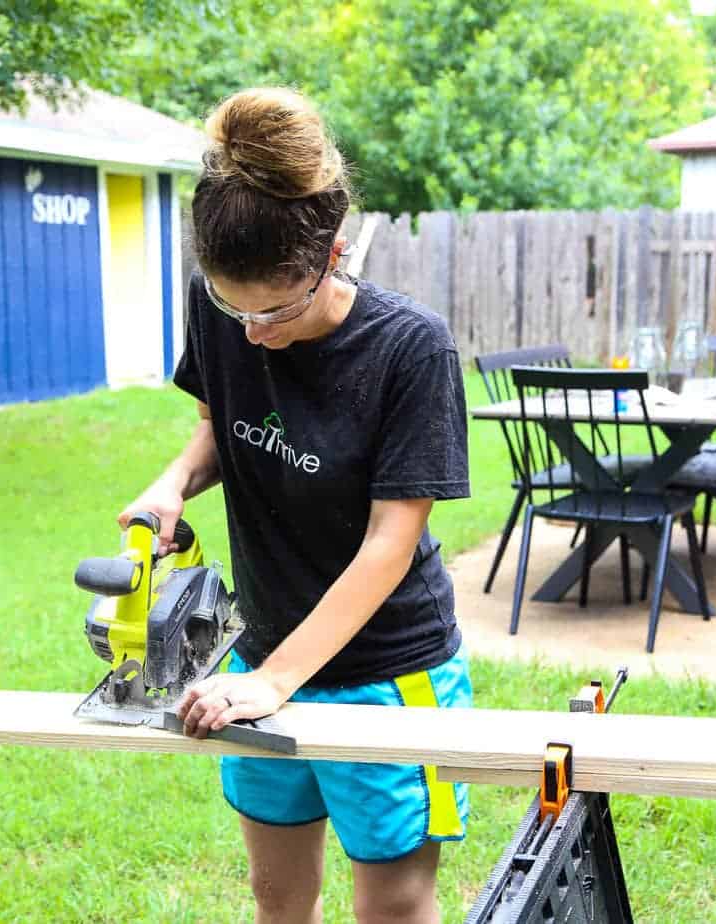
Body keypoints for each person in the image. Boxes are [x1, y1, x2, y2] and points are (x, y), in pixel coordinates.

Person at [119, 87, 471, 924]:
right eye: (230, 305)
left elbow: (391, 542)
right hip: (260, 655)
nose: (251, 332)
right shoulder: (224, 310)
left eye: (275, 309)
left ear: (335, 255)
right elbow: (218, 428)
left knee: (393, 905)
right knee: (278, 897)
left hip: (390, 672)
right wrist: (172, 483)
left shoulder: (410, 349)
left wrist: (279, 682)